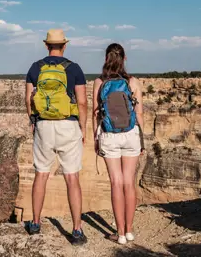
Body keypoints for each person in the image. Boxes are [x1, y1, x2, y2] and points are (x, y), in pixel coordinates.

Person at [25, 29, 88, 246]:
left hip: (43, 125)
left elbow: (28, 100)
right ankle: (77, 231)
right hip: (68, 125)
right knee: (72, 178)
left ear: (46, 45)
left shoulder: (35, 67)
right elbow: (82, 102)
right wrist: (83, 128)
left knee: (41, 174)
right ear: (64, 45)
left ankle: (34, 223)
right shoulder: (74, 68)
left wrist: (33, 121)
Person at [92, 43, 145, 245]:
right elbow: (139, 114)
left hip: (109, 135)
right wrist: (141, 140)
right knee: (129, 183)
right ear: (125, 59)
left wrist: (96, 138)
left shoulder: (99, 82)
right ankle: (130, 230)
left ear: (106, 59)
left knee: (116, 183)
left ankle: (120, 233)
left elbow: (95, 114)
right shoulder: (133, 82)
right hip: (131, 134)